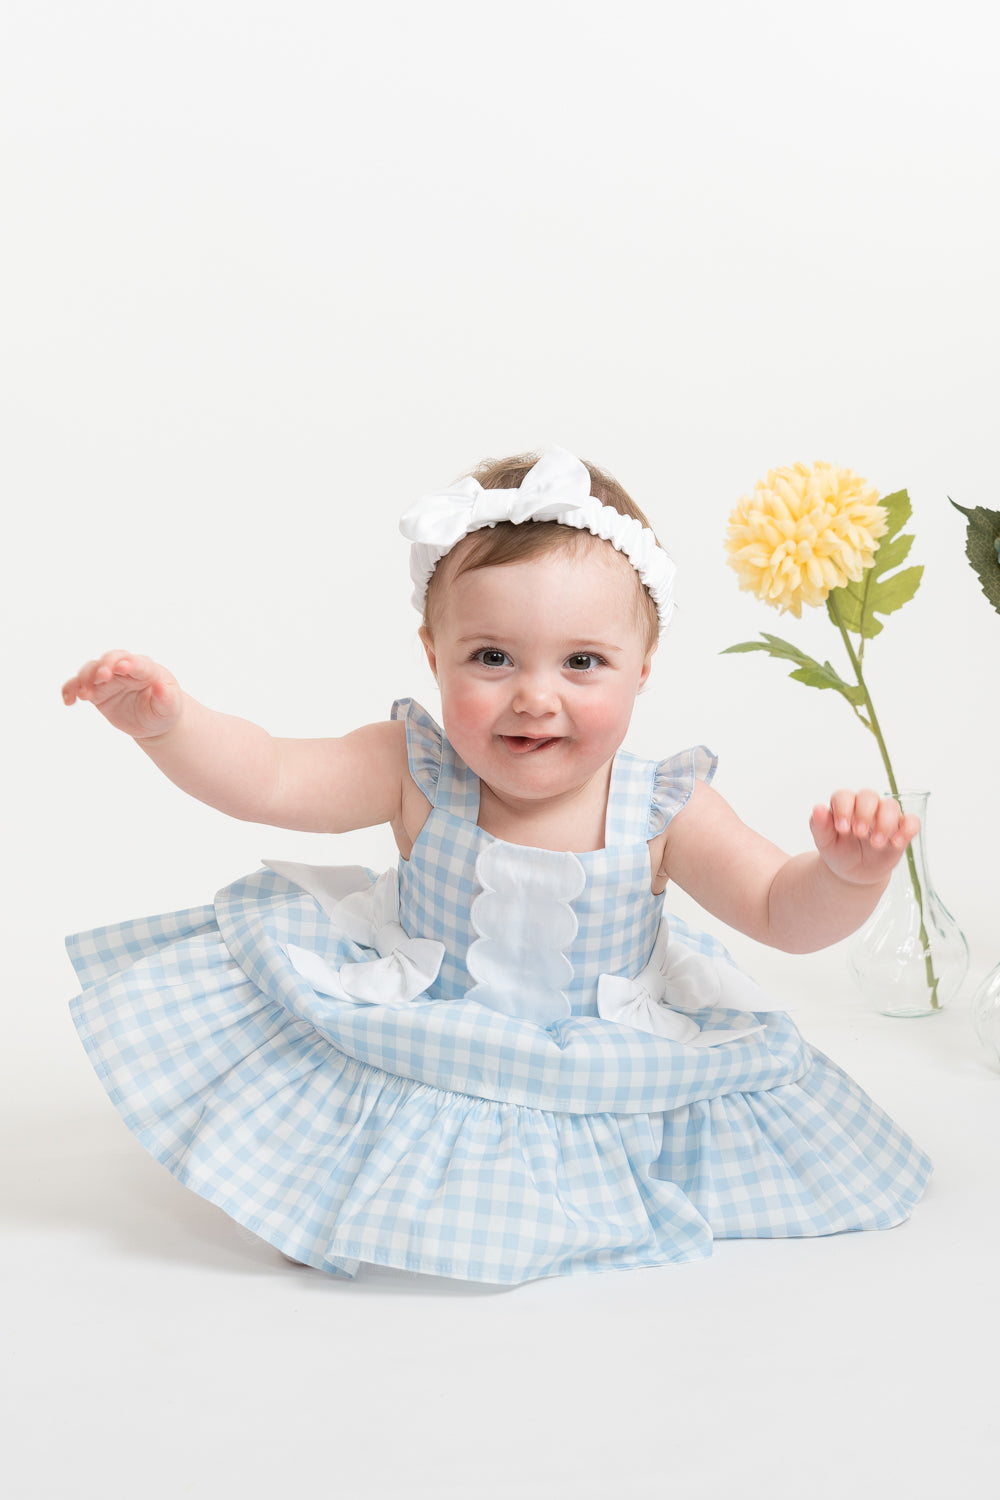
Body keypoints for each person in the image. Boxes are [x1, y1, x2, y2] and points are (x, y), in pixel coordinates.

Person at [62, 446, 931, 1283]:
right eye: (491, 657)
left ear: (643, 669)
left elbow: (779, 910)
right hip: (422, 1031)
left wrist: (847, 877)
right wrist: (170, 726)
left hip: (588, 1055)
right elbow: (272, 776)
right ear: (434, 655)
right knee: (352, 1105)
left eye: (582, 662)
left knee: (594, 1120)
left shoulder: (662, 806)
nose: (534, 695)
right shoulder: (417, 769)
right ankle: (328, 1195)